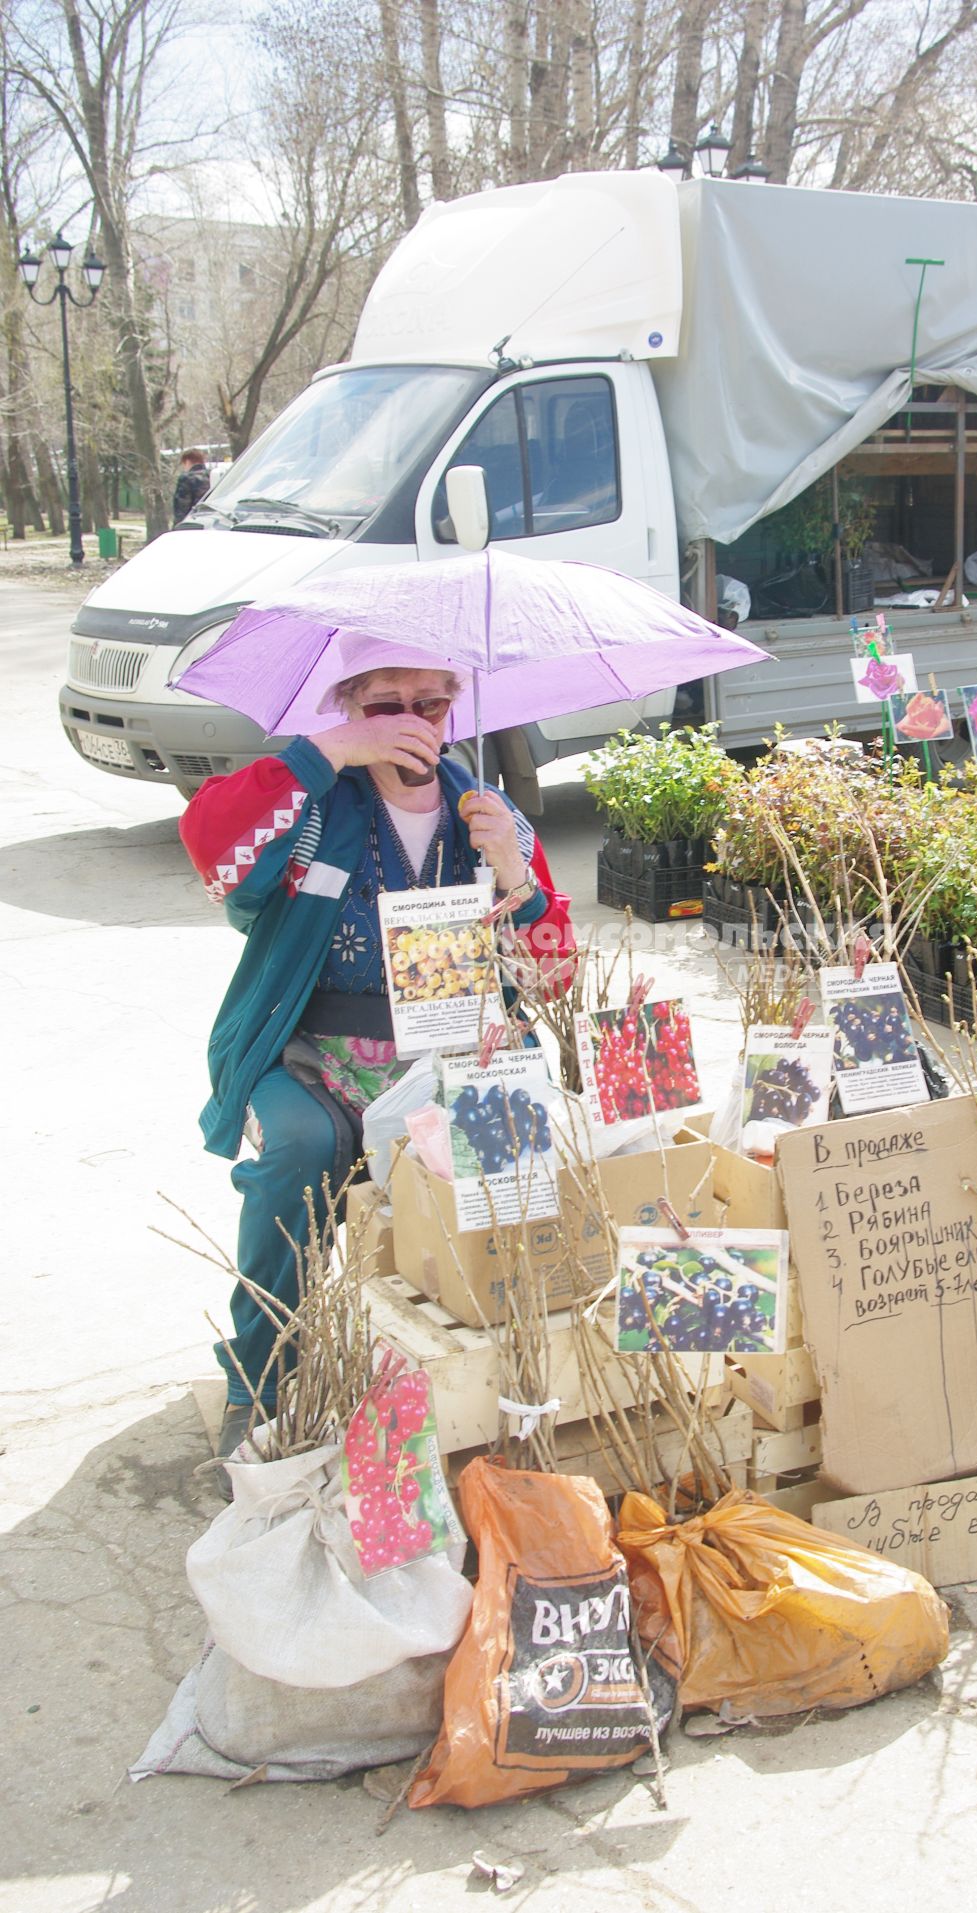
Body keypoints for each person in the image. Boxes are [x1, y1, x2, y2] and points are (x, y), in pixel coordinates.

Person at [178, 662, 575, 1467]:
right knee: (295, 1150)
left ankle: (506, 1388)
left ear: (453, 709)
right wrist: (330, 748)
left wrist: (515, 875)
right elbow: (211, 844)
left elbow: (556, 971)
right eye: (383, 704)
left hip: (449, 1060)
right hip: (315, 1057)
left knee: (518, 1160)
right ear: (349, 704)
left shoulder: (488, 814)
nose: (410, 721)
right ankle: (260, 1383)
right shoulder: (317, 807)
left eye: (428, 703)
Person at [173, 448, 211, 525]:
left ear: (187, 461)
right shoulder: (212, 476)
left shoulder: (186, 478)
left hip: (193, 522)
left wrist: (177, 526)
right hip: (210, 521)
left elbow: (182, 507)